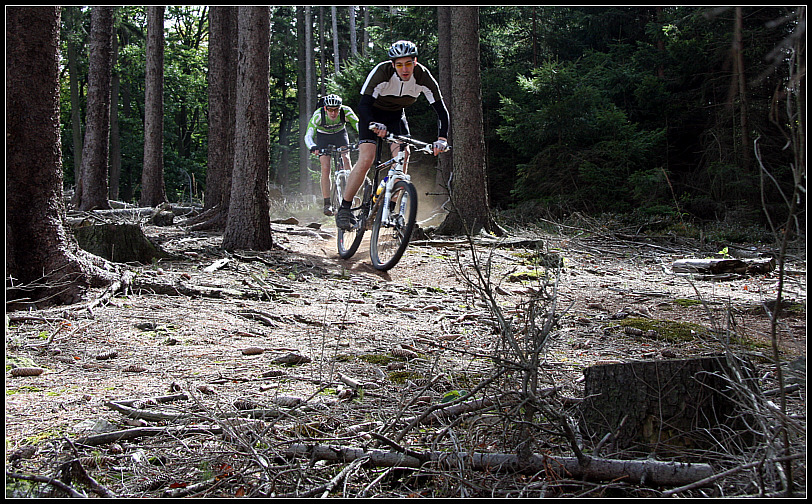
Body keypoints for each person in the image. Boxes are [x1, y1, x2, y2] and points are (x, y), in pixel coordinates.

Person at [335, 40, 449, 230]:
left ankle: (389, 208)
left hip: (396, 116)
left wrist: (442, 139)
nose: (404, 69)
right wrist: (372, 123)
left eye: (408, 63)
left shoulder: (423, 76)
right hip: (371, 114)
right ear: (392, 64)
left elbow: (441, 111)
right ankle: (345, 208)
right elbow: (363, 105)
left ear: (415, 61)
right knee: (367, 158)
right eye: (399, 64)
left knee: (403, 157)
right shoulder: (382, 72)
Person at [304, 94, 359, 216]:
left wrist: (364, 139)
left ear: (340, 108)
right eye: (330, 109)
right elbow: (308, 135)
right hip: (323, 137)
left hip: (340, 134)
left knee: (346, 159)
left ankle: (351, 194)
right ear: (325, 108)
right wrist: (313, 147)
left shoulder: (346, 111)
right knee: (325, 167)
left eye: (336, 110)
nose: (333, 113)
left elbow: (358, 125)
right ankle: (327, 202)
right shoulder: (318, 115)